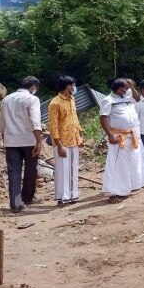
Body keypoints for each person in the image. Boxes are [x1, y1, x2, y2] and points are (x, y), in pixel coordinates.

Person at [99, 78, 144, 203]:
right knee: (116, 165)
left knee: (129, 163)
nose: (128, 90)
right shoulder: (108, 100)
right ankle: (113, 192)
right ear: (119, 89)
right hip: (118, 136)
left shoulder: (126, 96)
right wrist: (110, 135)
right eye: (126, 88)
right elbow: (103, 119)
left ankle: (126, 188)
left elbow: (138, 98)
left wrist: (131, 87)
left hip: (132, 134)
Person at [0, 76, 42, 213]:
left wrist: (5, 138)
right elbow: (36, 122)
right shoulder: (32, 99)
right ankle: (27, 197)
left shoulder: (6, 100)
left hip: (11, 142)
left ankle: (15, 203)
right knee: (30, 170)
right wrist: (39, 142)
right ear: (33, 87)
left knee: (14, 172)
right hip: (29, 140)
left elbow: (2, 124)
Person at [48, 75, 84, 206]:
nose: (74, 88)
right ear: (68, 87)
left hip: (74, 139)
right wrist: (59, 145)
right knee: (62, 169)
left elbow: (75, 118)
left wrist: (80, 134)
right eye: (73, 85)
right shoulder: (55, 103)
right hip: (62, 141)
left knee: (73, 168)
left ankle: (73, 195)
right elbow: (53, 126)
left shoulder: (72, 99)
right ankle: (61, 198)